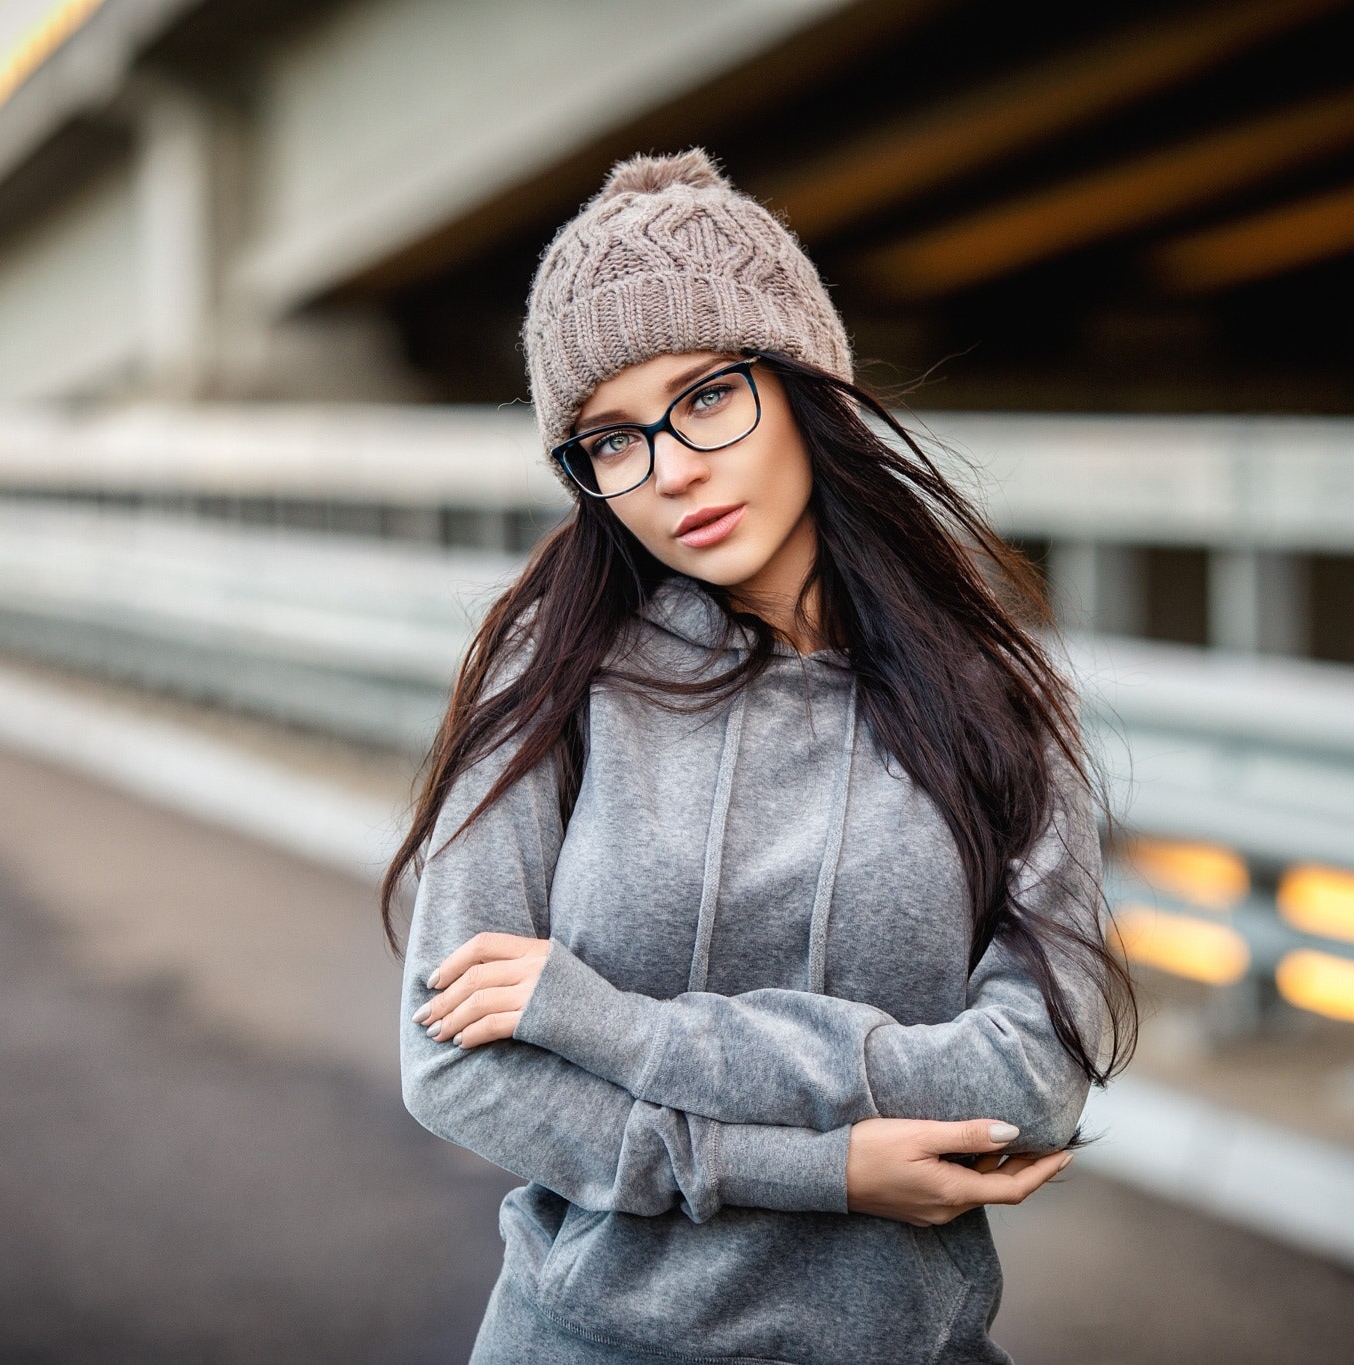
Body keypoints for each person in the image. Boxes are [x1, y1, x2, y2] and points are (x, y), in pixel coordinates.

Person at [386, 147, 1135, 1365]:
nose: (671, 468)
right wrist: (819, 1171)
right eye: (608, 439)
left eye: (704, 396)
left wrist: (620, 1030)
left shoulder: (993, 699)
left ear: (801, 382)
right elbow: (453, 1069)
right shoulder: (553, 674)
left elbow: (1032, 1081)